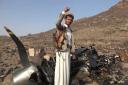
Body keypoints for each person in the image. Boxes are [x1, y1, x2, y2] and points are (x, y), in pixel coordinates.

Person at [54, 7, 75, 85]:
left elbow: (72, 42)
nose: (70, 21)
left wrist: (73, 52)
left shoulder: (70, 30)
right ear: (65, 19)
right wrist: (63, 12)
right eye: (68, 19)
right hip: (61, 52)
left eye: (71, 20)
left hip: (67, 52)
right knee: (61, 71)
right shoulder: (61, 27)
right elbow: (57, 23)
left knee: (66, 70)